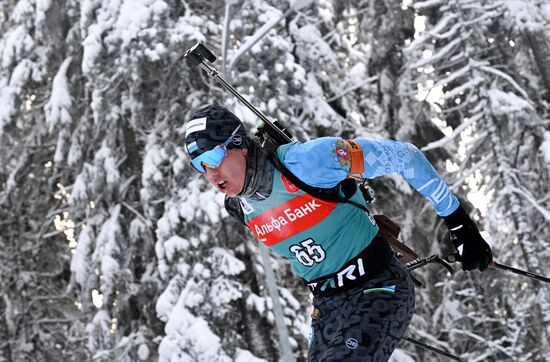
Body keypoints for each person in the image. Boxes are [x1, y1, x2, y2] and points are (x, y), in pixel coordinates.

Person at [184, 104, 493, 362]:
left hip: (379, 286)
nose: (210, 174)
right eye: (199, 165)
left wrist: (460, 225)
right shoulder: (239, 208)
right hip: (328, 309)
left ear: (240, 145)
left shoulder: (308, 161)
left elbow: (406, 157)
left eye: (212, 158)